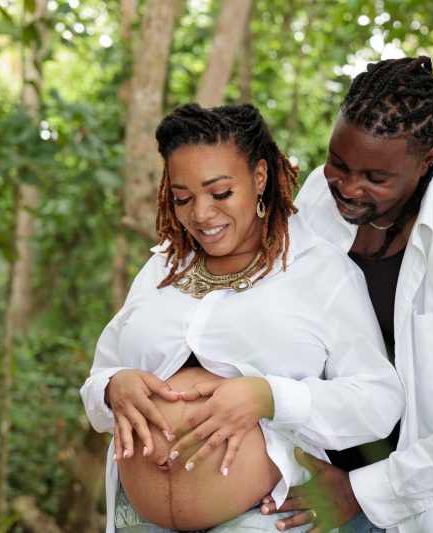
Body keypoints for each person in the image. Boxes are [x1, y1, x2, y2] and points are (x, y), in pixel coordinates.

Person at [80, 103, 405, 532]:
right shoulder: (162, 267)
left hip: (262, 515)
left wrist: (269, 397)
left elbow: (379, 401)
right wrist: (112, 387)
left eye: (220, 193)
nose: (200, 214)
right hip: (138, 518)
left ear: (259, 178)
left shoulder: (320, 271)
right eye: (182, 197)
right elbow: (99, 380)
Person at [262, 56, 433, 532]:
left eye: (375, 177)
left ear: (427, 159)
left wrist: (359, 491)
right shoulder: (316, 195)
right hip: (306, 484)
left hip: (419, 512)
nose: (348, 187)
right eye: (339, 162)